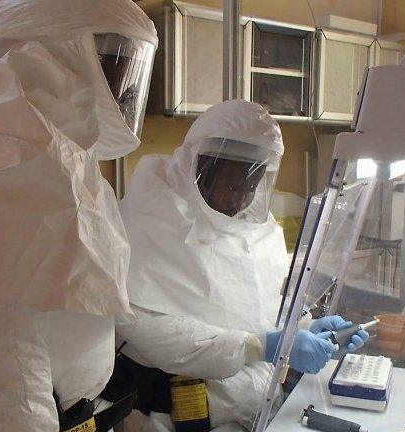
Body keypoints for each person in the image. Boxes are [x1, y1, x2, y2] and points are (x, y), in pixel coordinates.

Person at [0, 0, 157, 430]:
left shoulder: (58, 160)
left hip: (72, 411)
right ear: (59, 56)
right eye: (115, 63)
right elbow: (6, 375)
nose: (127, 90)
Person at [116, 100, 369, 432]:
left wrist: (305, 330)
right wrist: (260, 346)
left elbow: (264, 310)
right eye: (233, 186)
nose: (241, 199)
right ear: (200, 169)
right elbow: (145, 328)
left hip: (252, 410)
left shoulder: (258, 234)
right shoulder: (147, 222)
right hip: (172, 416)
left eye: (251, 187)